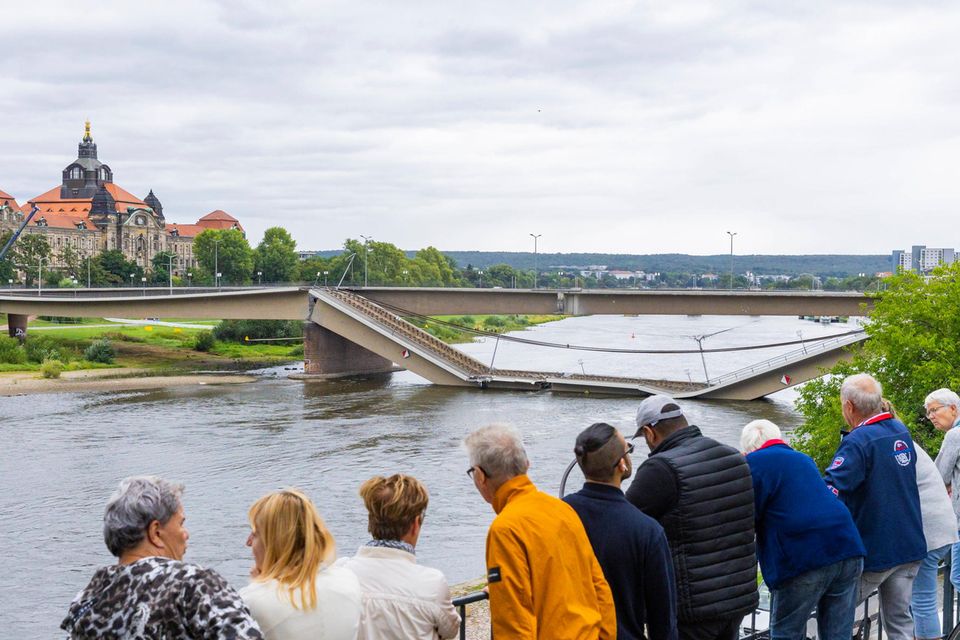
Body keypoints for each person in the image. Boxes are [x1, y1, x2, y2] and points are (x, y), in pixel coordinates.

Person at [62, 475, 263, 639]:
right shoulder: (193, 583)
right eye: (181, 523)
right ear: (156, 532)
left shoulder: (88, 599)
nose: (186, 534)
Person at [464, 423, 616, 639]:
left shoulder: (506, 529)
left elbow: (514, 622)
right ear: (526, 464)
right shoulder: (562, 510)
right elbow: (600, 587)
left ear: (480, 476)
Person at [625, 395, 758, 640]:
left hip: (692, 607)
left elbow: (624, 523)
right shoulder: (734, 458)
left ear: (649, 432)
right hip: (737, 597)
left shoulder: (661, 468)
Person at [823, 374, 927, 640]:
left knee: (834, 610)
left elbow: (831, 491)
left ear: (848, 406)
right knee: (900, 621)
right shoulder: (899, 430)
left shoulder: (858, 442)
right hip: (909, 543)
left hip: (877, 548)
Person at [741, 419, 865, 640]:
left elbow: (746, 516)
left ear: (748, 448)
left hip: (803, 556)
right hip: (847, 546)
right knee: (838, 634)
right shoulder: (802, 458)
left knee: (786, 632)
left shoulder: (753, 464)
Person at [563, 422, 677, 640]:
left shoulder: (560, 514)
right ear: (622, 465)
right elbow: (663, 618)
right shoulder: (647, 531)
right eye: (629, 449)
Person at [337, 474, 459, 640]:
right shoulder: (432, 583)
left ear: (370, 521)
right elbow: (451, 630)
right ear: (415, 524)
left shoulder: (342, 573)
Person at [240, 489, 361, 640]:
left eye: (255, 534)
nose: (248, 542)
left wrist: (257, 585)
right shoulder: (348, 579)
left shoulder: (251, 601)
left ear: (275, 543)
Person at [930, 389, 960, 591]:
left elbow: (938, 477)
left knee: (957, 577)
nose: (931, 416)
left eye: (934, 410)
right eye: (928, 412)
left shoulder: (954, 435)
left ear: (953, 408)